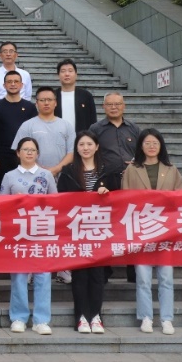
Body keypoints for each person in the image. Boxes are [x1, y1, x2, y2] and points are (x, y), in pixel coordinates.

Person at [56, 130, 122, 334]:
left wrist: (107, 194)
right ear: (76, 148)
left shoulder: (108, 170)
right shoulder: (68, 171)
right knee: (80, 275)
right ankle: (81, 317)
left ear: (97, 146)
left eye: (89, 144)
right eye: (81, 144)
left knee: (97, 274)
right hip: (77, 229)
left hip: (100, 229)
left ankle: (96, 316)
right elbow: (61, 198)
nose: (85, 148)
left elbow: (119, 198)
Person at [122, 128, 182, 335]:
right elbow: (124, 198)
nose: (151, 146)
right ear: (141, 146)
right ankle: (146, 317)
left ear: (161, 146)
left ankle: (167, 318)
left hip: (165, 230)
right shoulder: (132, 170)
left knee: (166, 277)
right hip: (141, 229)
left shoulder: (171, 169)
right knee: (143, 278)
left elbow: (180, 197)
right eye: (147, 143)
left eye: (155, 143)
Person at [1, 137, 57, 336]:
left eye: (33, 150)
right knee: (19, 275)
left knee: (43, 275)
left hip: (42, 231)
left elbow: (56, 203)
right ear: (18, 153)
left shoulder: (46, 175)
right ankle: (19, 317)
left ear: (37, 153)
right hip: (18, 233)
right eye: (25, 149)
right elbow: (2, 205)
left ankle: (42, 320)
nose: (29, 152)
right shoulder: (9, 176)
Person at [0, 70, 37, 193]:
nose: (13, 84)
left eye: (16, 81)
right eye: (9, 82)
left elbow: (34, 133)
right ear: (4, 85)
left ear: (21, 85)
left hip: (25, 155)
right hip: (2, 155)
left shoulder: (30, 107)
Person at [12, 86, 75, 177]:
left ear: (55, 103)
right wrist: (40, 170)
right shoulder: (27, 126)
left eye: (49, 100)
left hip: (62, 176)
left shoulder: (66, 125)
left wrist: (56, 169)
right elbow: (19, 151)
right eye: (42, 100)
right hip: (33, 176)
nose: (46, 103)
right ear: (36, 103)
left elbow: (72, 152)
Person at [89, 92, 141, 171]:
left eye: (117, 104)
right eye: (109, 104)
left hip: (132, 174)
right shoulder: (95, 129)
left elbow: (143, 150)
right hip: (104, 175)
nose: (113, 107)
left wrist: (137, 162)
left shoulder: (134, 128)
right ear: (103, 106)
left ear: (124, 106)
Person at [53, 58, 97, 133]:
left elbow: (93, 121)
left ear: (76, 74)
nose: (67, 74)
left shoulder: (86, 96)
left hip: (81, 138)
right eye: (63, 71)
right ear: (58, 75)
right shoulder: (52, 96)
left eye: (70, 71)